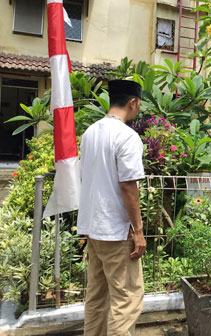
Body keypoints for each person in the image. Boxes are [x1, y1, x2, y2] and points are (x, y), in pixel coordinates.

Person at [77, 80, 147, 336]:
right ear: (133, 102)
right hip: (116, 232)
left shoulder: (90, 133)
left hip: (93, 229)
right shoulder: (126, 136)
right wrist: (138, 231)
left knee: (97, 296)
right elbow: (129, 186)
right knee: (126, 299)